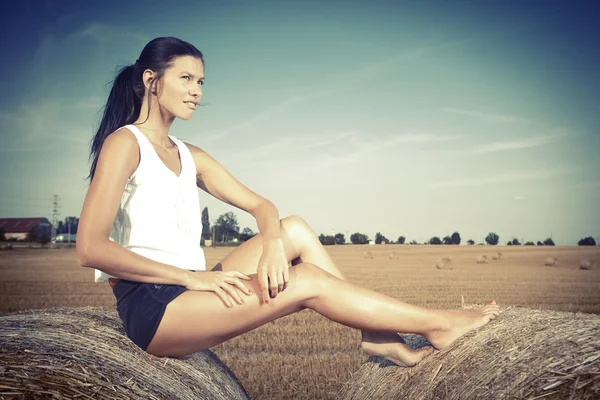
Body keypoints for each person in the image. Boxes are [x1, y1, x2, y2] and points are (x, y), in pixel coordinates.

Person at [76, 37, 499, 367]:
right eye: (185, 78)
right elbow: (90, 248)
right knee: (309, 280)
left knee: (293, 228)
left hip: (187, 290)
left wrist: (274, 245)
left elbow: (264, 206)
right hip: (154, 308)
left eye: (201, 81)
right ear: (152, 80)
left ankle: (377, 337)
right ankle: (439, 324)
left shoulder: (190, 154)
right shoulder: (124, 144)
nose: (196, 91)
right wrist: (191, 279)